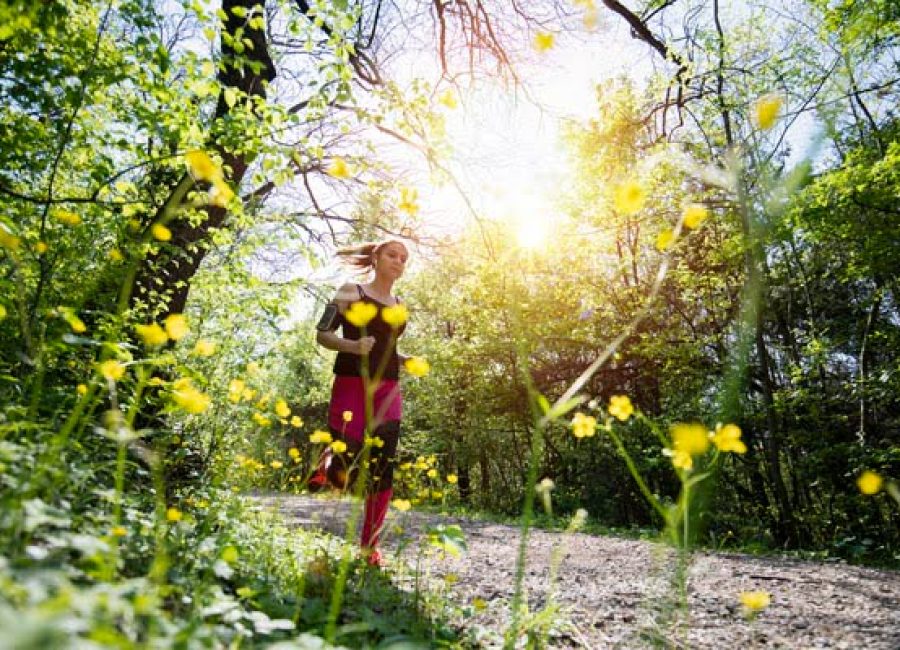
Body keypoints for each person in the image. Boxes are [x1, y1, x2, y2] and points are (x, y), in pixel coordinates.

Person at [312, 239, 410, 567]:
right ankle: (329, 460)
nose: (398, 261)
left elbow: (386, 346)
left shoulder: (400, 305)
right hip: (352, 381)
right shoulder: (350, 291)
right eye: (392, 255)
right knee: (347, 460)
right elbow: (322, 334)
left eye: (403, 258)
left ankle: (370, 547)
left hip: (388, 386)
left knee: (384, 464)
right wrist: (353, 347)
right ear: (376, 257)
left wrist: (403, 358)